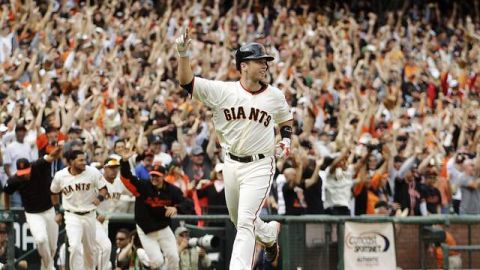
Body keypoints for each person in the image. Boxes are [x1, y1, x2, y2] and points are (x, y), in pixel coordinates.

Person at [177, 29, 293, 269]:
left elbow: (285, 121)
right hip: (230, 164)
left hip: (260, 165)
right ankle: (269, 236)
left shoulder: (275, 96)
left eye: (266, 62)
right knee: (238, 217)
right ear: (243, 66)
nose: (265, 66)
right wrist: (183, 54)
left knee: (245, 222)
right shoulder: (223, 91)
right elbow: (186, 81)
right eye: (259, 61)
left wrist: (286, 141)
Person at [119, 150, 185, 270]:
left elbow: (186, 202)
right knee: (157, 261)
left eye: (157, 176)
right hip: (146, 231)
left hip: (163, 228)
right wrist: (124, 161)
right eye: (152, 175)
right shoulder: (144, 186)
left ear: (164, 176)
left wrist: (176, 207)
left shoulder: (172, 190)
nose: (154, 178)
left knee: (174, 258)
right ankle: (147, 259)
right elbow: (127, 176)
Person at [3, 145, 62, 270]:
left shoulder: (37, 165)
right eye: (22, 173)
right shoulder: (15, 179)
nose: (25, 176)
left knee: (53, 247)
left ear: (30, 167)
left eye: (26, 173)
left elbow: (51, 156)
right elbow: (6, 192)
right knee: (40, 240)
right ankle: (50, 266)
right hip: (32, 213)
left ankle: (45, 266)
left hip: (49, 209)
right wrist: (7, 209)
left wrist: (59, 148)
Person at [50, 150, 108, 270]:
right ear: (71, 162)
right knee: (74, 246)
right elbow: (53, 192)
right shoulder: (60, 175)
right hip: (72, 215)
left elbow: (104, 189)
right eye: (80, 160)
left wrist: (99, 198)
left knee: (90, 250)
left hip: (89, 215)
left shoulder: (92, 172)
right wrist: (57, 211)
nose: (84, 162)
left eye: (84, 159)